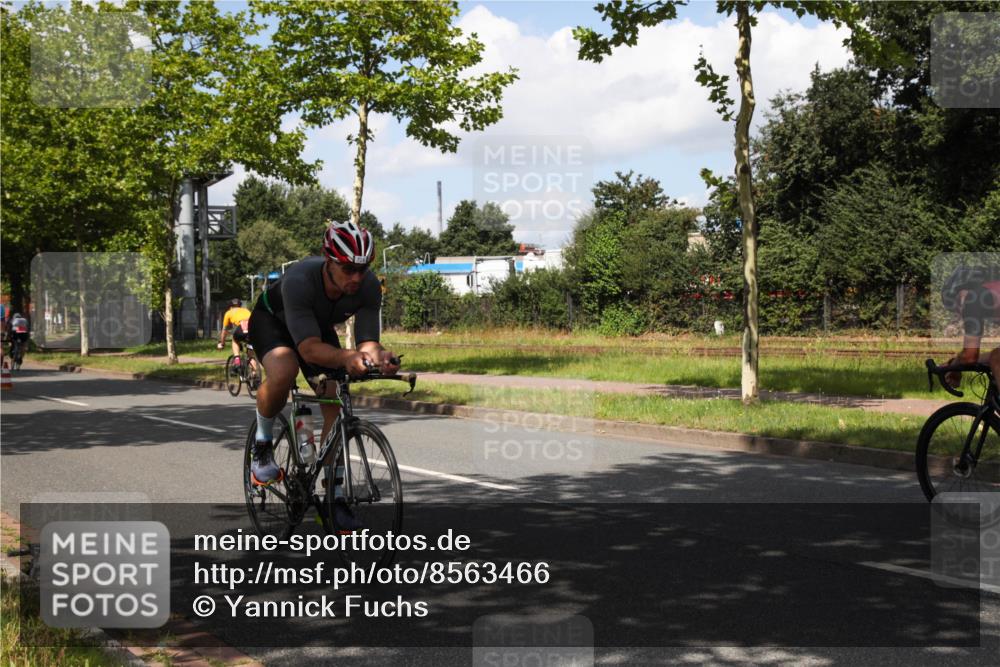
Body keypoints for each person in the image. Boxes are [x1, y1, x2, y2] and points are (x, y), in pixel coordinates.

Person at [247, 219, 399, 493]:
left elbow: (368, 344)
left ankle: (334, 494)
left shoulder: (369, 286)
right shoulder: (300, 280)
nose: (356, 278)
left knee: (333, 399)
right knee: (285, 370)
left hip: (315, 328)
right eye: (348, 269)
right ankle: (262, 445)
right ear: (329, 261)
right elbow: (308, 349)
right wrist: (347, 357)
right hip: (273, 322)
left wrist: (381, 356)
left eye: (362, 269)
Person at [941, 265, 1000, 394]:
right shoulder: (993, 293)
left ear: (963, 292)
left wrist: (955, 366)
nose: (960, 313)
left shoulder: (974, 297)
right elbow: (976, 357)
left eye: (956, 304)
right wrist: (954, 363)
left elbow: (970, 357)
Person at [218, 298, 252, 364]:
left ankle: (237, 360)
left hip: (241, 328)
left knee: (235, 340)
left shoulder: (229, 312)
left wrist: (222, 343)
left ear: (230, 307)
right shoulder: (246, 310)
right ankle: (255, 370)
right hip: (253, 329)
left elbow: (224, 330)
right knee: (250, 357)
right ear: (240, 306)